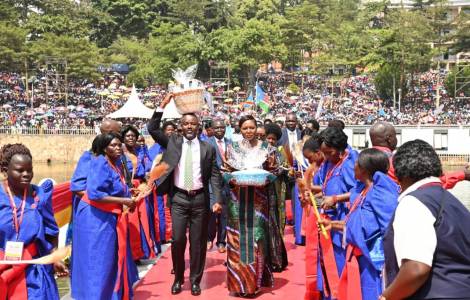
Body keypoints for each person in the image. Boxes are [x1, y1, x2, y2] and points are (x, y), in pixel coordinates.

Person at [148, 101, 223, 296]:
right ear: (181, 126)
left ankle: (195, 280)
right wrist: (161, 106)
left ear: (199, 126)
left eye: (193, 124)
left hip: (200, 199)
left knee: (198, 242)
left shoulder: (208, 148)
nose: (189, 127)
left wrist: (217, 199)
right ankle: (178, 278)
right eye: (186, 124)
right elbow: (152, 128)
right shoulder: (173, 142)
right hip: (179, 198)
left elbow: (214, 175)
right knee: (178, 239)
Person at [381, 140, 470, 300]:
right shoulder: (454, 203)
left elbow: (416, 269)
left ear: (400, 176)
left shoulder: (413, 202)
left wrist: (386, 297)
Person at [318, 149, 399, 300]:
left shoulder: (379, 193)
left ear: (364, 169)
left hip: (372, 260)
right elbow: (357, 223)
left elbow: (383, 228)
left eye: (356, 163)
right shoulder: (362, 190)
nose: (353, 165)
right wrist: (332, 224)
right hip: (358, 257)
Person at [71, 133, 139, 300]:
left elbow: (110, 187)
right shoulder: (100, 163)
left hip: (107, 216)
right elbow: (94, 193)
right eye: (113, 145)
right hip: (95, 218)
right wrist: (124, 200)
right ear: (103, 148)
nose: (118, 148)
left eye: (119, 145)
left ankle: (109, 294)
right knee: (98, 260)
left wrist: (128, 192)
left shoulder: (113, 164)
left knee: (108, 258)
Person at [0, 144, 65, 299]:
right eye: (20, 170)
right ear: (4, 169)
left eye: (29, 169)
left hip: (33, 270)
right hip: (2, 269)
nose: (26, 174)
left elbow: (51, 230)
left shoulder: (39, 196)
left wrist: (55, 258)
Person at [224, 115, 279, 296]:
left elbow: (275, 171)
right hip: (237, 198)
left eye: (251, 128)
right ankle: (238, 284)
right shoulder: (232, 148)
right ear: (240, 129)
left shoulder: (267, 148)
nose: (248, 131)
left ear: (257, 128)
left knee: (257, 238)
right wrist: (231, 179)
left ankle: (253, 284)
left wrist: (266, 178)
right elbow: (225, 171)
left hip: (259, 199)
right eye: (245, 128)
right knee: (237, 239)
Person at [309, 126, 357, 298]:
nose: (326, 157)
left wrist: (335, 199)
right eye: (324, 153)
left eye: (329, 152)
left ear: (340, 149)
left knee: (338, 265)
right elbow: (325, 187)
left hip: (341, 222)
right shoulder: (330, 163)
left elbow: (359, 193)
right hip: (327, 219)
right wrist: (317, 197)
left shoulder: (350, 164)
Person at [369, 121, 470, 187]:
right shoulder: (394, 161)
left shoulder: (362, 159)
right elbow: (429, 185)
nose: (396, 139)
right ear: (389, 139)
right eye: (396, 135)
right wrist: (462, 174)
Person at [121, 125, 157, 260]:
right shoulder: (120, 152)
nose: (131, 138)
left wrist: (147, 182)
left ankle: (141, 252)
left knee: (143, 219)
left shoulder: (139, 151)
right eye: (128, 136)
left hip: (141, 189)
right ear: (123, 138)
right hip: (128, 189)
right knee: (131, 221)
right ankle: (132, 255)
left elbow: (146, 169)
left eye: (133, 136)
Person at [264, 122, 288, 272]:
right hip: (261, 192)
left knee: (275, 224)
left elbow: (286, 168)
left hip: (276, 192)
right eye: (268, 138)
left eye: (273, 139)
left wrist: (280, 170)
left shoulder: (280, 152)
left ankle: (276, 258)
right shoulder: (258, 152)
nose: (271, 141)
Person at [206, 119, 231, 253]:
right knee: (211, 213)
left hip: (227, 185)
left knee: (224, 215)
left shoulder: (231, 143)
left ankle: (221, 241)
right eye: (217, 128)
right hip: (211, 183)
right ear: (212, 129)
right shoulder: (207, 143)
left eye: (222, 127)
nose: (220, 130)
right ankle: (209, 238)